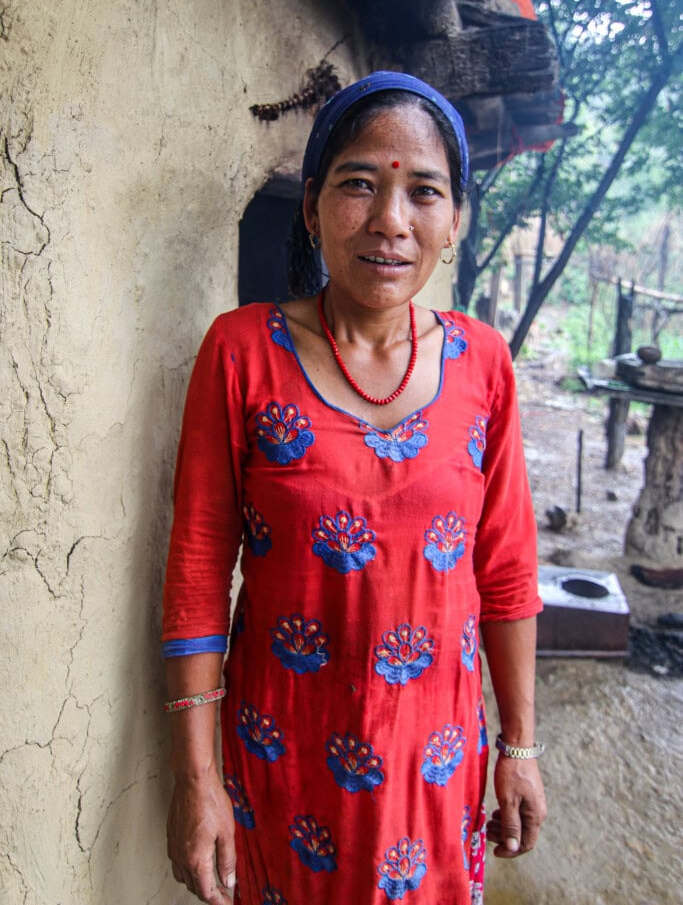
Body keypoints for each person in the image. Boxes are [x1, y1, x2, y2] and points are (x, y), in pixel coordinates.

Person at [162, 71, 547, 905]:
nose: (390, 222)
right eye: (359, 185)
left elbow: (507, 571)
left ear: (452, 222)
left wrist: (517, 747)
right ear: (310, 207)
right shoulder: (241, 353)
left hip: (435, 767)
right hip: (282, 760)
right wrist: (199, 780)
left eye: (424, 192)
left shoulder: (483, 364)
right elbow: (196, 581)